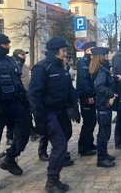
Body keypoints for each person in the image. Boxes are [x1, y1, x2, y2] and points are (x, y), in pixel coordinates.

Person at [28, 37, 79, 192]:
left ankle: (55, 174)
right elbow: (33, 94)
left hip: (62, 112)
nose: (66, 53)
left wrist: (74, 107)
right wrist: (39, 119)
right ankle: (51, 182)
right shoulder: (42, 68)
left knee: (65, 139)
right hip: (49, 114)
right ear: (56, 51)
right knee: (60, 145)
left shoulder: (62, 67)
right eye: (63, 50)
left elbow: (69, 89)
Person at [0, 34, 30, 192]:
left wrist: (24, 101)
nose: (9, 46)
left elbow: (17, 81)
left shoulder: (10, 60)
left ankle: (9, 159)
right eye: (5, 44)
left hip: (14, 104)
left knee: (24, 131)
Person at [89, 47, 120, 168]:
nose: (107, 58)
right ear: (101, 56)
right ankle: (101, 158)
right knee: (104, 131)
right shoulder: (101, 70)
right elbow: (99, 86)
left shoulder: (101, 68)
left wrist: (114, 78)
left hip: (104, 103)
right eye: (106, 55)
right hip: (103, 103)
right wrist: (111, 94)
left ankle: (104, 154)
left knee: (105, 130)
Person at [76, 41, 97, 156]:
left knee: (92, 121)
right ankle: (83, 147)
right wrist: (89, 95)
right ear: (87, 50)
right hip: (85, 96)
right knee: (88, 122)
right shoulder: (83, 62)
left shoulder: (89, 61)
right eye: (92, 49)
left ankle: (89, 142)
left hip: (90, 95)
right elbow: (84, 80)